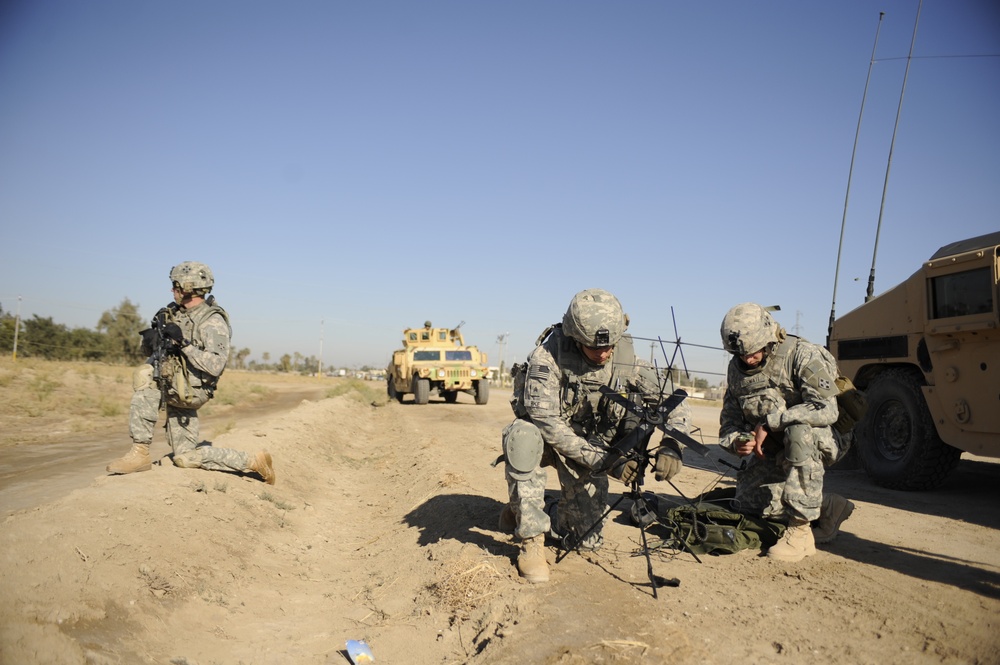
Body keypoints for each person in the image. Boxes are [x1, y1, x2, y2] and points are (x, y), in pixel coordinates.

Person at [500, 288, 691, 583]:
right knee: (522, 436)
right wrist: (607, 461)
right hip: (551, 443)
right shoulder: (547, 358)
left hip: (590, 452)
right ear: (575, 338)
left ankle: (533, 507)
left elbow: (674, 403)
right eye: (593, 347)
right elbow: (546, 422)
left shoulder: (629, 362)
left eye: (609, 346)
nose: (603, 353)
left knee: (584, 542)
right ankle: (531, 539)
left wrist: (672, 444)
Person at [107, 261, 275, 484]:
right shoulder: (172, 313)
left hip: (192, 390)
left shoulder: (212, 321)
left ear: (188, 287)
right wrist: (151, 341)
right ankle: (253, 462)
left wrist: (183, 343)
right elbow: (153, 352)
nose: (172, 291)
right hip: (173, 384)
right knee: (185, 457)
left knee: (146, 376)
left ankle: (140, 452)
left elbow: (216, 365)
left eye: (175, 286)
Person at [718, 302, 854, 562]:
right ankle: (827, 506)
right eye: (740, 354)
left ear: (768, 336)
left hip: (823, 438)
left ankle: (800, 532)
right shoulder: (737, 370)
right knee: (751, 504)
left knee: (798, 431)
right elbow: (729, 423)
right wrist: (737, 442)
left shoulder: (803, 354)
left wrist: (771, 422)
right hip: (776, 447)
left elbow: (826, 410)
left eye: (754, 351)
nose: (748, 359)